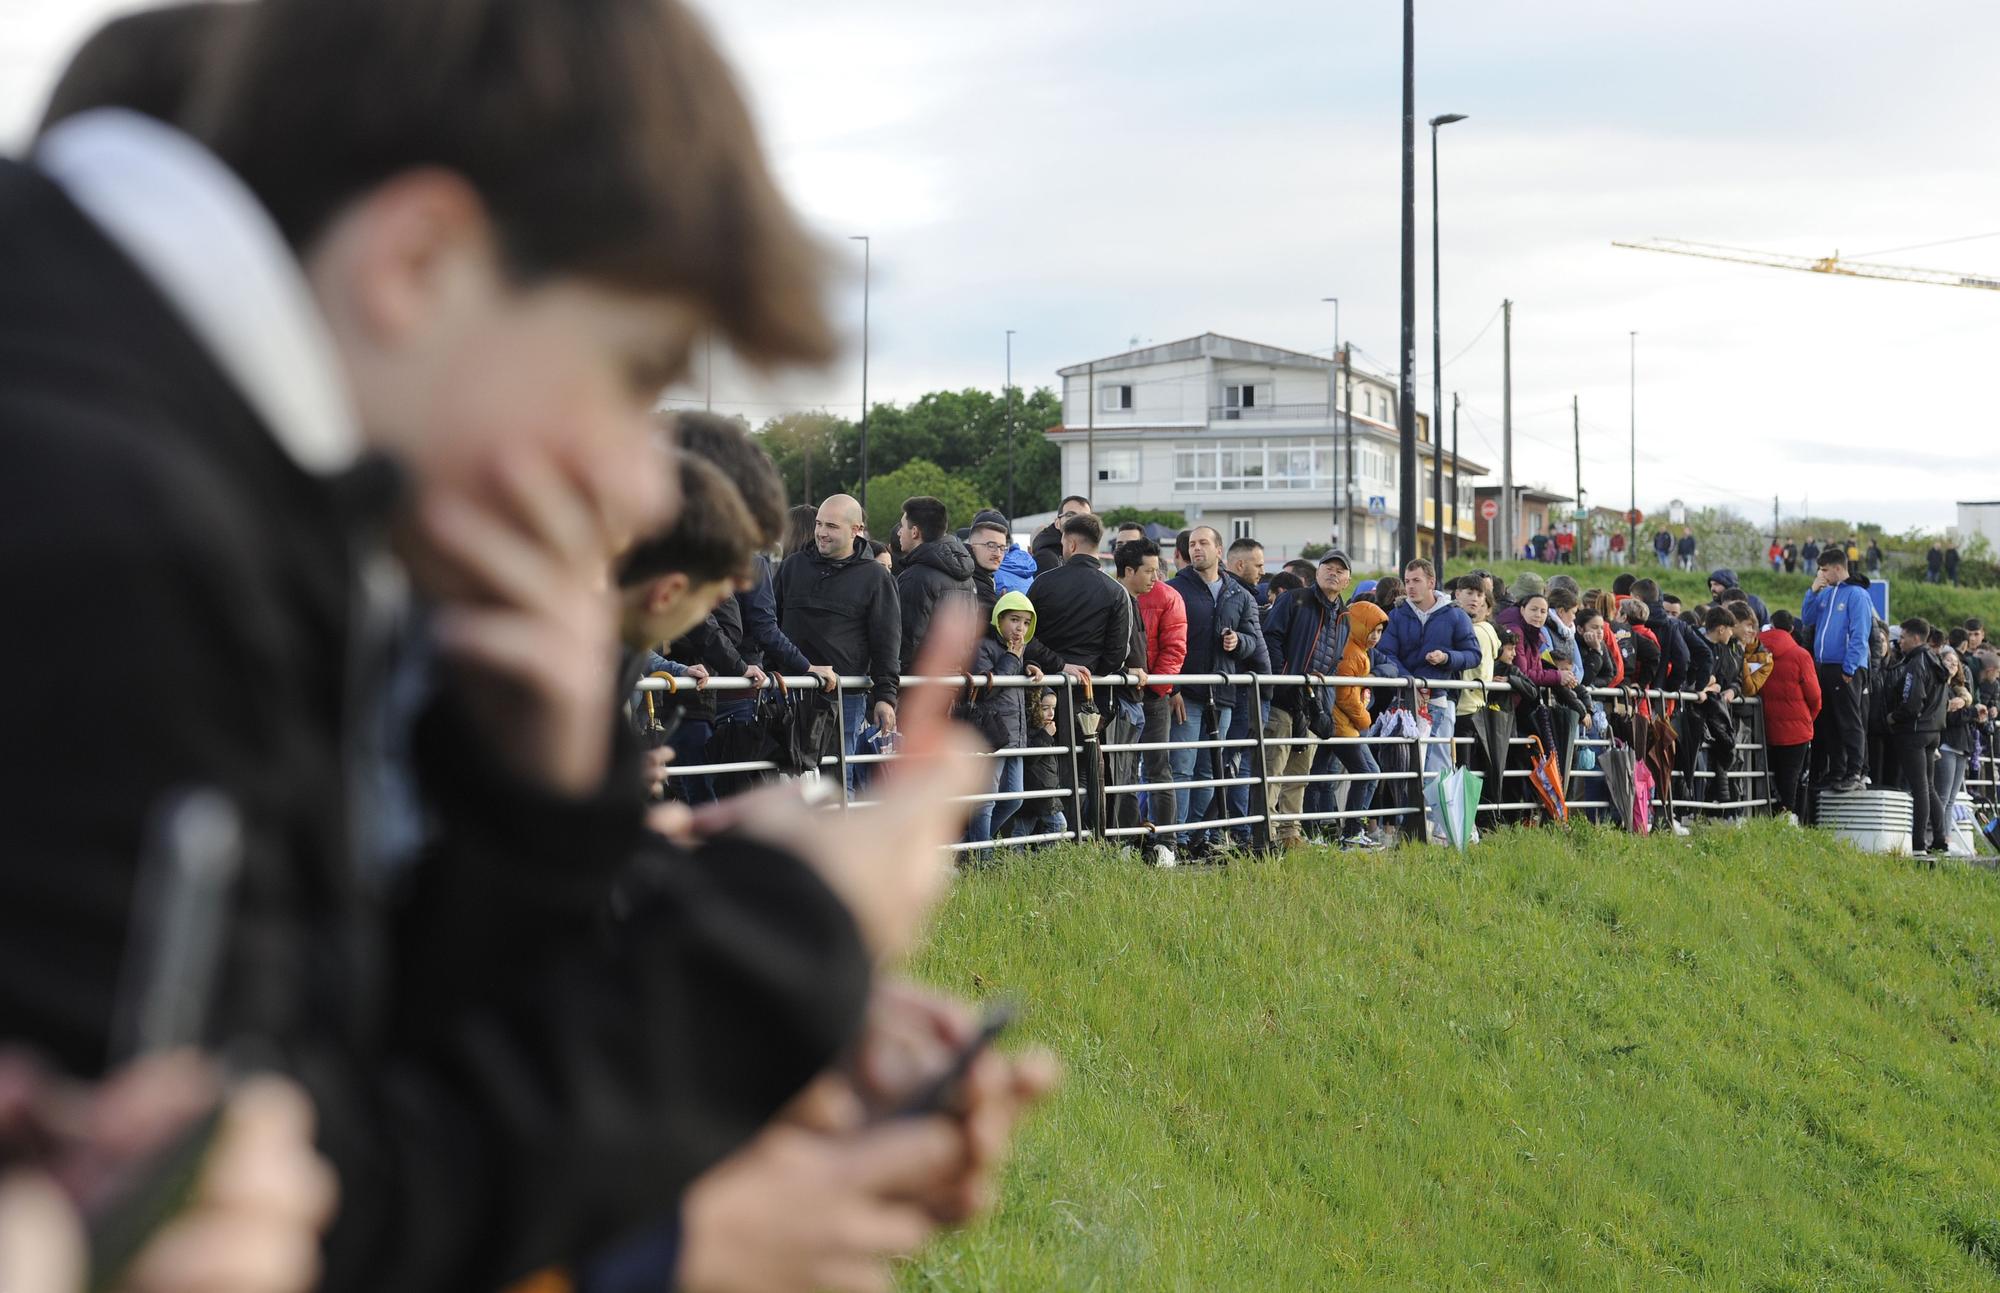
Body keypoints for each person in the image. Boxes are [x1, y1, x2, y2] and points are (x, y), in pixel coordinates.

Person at [3, 4, 1047, 1290]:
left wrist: (540, 817)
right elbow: (299, 1221)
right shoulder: (115, 530)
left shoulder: (172, 465)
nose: (628, 478)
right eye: (625, 374)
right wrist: (782, 947)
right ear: (419, 262)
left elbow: (300, 1100)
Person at [775, 494, 902, 790]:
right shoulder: (793, 567)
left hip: (843, 698)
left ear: (856, 529)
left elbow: (887, 642)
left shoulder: (875, 578)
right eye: (819, 524)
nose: (821, 532)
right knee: (788, 783)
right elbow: (769, 623)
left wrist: (886, 697)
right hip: (789, 694)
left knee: (836, 783)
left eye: (831, 526)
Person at [1026, 512, 1134, 832]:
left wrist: (1057, 664)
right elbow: (1117, 655)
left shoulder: (1043, 583)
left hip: (1046, 690)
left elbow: (1027, 638)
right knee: (1089, 769)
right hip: (1092, 694)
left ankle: (1055, 835)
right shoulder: (1115, 592)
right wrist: (1090, 669)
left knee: (1052, 764)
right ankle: (1088, 835)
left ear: (1071, 543)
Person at [1163, 525, 1266, 854]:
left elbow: (1254, 641)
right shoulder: (1175, 589)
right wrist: (1171, 687)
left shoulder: (1240, 594)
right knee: (1181, 766)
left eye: (1203, 543)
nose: (1196, 549)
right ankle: (1176, 837)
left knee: (1210, 770)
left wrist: (1238, 643)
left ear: (1219, 550)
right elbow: (1164, 643)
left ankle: (1198, 836)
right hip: (1186, 692)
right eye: (1192, 544)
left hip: (1223, 693)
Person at [1260, 551, 1354, 849]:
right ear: (1317, 572)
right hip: (1282, 698)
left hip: (1311, 704)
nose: (1333, 573)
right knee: (1272, 769)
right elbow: (1271, 637)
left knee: (1299, 772)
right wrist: (1282, 677)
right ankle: (1267, 832)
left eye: (1340, 570)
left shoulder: (1344, 617)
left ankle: (1290, 833)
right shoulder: (1295, 599)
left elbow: (1335, 658)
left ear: (1348, 580)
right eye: (1328, 567)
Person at [1377, 559, 1478, 832]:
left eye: (1416, 581)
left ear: (1431, 582)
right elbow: (1386, 653)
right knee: (1407, 765)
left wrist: (1447, 658)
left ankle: (1446, 830)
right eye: (1407, 581)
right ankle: (1409, 829)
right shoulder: (1397, 615)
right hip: (1406, 700)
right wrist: (1409, 679)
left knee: (1440, 765)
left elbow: (1473, 654)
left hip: (1439, 699)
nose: (1410, 587)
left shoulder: (1455, 615)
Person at [964, 591, 1043, 845]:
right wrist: (1012, 657)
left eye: (1026, 622)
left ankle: (974, 843)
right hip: (993, 734)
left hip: (1016, 735)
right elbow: (990, 687)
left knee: (1014, 799)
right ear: (999, 619)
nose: (1020, 628)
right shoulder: (985, 647)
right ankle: (979, 854)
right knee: (986, 799)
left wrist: (1027, 665)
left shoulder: (1019, 652)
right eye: (1014, 620)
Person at [1800, 547, 1875, 795]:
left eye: (1823, 570)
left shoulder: (1857, 595)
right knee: (1830, 721)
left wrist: (1850, 666)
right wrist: (1812, 591)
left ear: (1836, 568)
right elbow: (1808, 617)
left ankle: (1855, 770)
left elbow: (1860, 632)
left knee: (1849, 721)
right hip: (1824, 666)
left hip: (1845, 667)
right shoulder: (1827, 594)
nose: (1821, 574)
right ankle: (1837, 770)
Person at [1125, 537, 1186, 831]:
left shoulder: (1168, 597)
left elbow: (1175, 648)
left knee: (1158, 768)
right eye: (1147, 570)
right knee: (1123, 769)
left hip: (1152, 695)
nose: (1152, 576)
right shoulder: (1116, 594)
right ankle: (1128, 835)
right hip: (1122, 692)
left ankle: (1167, 841)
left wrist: (1157, 687)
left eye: (1154, 570)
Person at [1886, 617, 1950, 853]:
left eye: (1902, 637)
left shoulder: (1916, 663)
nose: (1899, 642)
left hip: (1915, 731)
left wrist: (1893, 717)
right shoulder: (1936, 659)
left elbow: (1912, 702)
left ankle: (1918, 844)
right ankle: (1940, 838)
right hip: (1934, 731)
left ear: (1915, 638)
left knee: (1920, 788)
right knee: (1929, 786)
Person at [893, 495, 976, 668]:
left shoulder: (916, 577)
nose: (899, 532)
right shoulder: (967, 578)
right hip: (952, 679)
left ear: (915, 532)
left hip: (918, 684)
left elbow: (906, 640)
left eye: (902, 526)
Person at [965, 516, 1011, 617]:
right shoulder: (970, 583)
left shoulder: (982, 578)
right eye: (991, 546)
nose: (998, 554)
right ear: (972, 546)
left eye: (1002, 548)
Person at [1031, 495, 1091, 572]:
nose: (1077, 521)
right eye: (1070, 515)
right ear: (1057, 523)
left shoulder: (1088, 555)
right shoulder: (1047, 558)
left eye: (1084, 518)